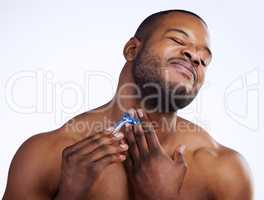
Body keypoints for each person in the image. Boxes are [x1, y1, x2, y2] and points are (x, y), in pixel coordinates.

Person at [3, 10, 253, 200]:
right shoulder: (45, 154)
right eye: (178, 40)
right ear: (132, 49)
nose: (195, 57)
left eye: (205, 59)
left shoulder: (224, 170)